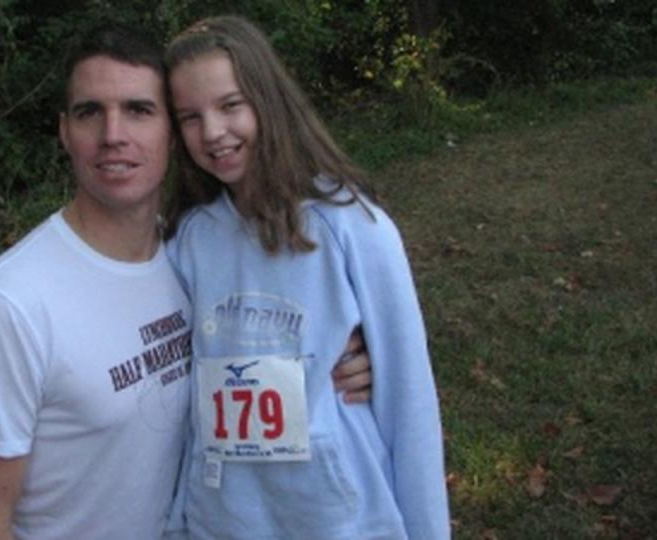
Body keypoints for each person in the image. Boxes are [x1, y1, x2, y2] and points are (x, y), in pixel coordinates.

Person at [0, 24, 373, 540]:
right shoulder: (7, 307)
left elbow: (248, 356)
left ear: (173, 130)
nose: (113, 135)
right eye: (89, 112)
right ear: (64, 131)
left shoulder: (188, 260)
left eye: (139, 110)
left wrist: (344, 358)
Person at [163, 15, 450, 539]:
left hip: (339, 520)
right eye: (189, 116)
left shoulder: (352, 227)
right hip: (223, 521)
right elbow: (180, 405)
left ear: (268, 99)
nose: (213, 132)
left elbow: (409, 396)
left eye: (231, 105)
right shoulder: (188, 241)